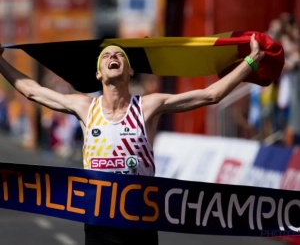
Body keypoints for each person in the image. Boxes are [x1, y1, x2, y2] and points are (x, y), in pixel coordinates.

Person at [0, 34, 264, 245]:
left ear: (129, 71)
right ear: (98, 74)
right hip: (99, 221)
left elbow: (210, 96)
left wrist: (251, 62)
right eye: (106, 56)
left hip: (140, 219)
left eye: (119, 55)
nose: (113, 56)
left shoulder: (148, 106)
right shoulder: (84, 107)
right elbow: (32, 91)